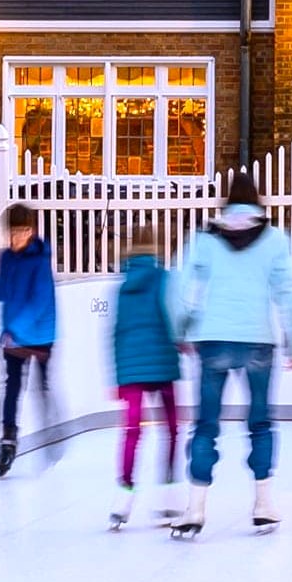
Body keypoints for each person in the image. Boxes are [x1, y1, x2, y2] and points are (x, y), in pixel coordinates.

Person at [175, 170, 292, 536]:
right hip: (258, 342)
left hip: (212, 338)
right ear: (258, 200)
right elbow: (289, 294)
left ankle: (195, 509)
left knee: (206, 424)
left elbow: (181, 286)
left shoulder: (204, 238)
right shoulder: (276, 240)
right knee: (261, 423)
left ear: (227, 200)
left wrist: (181, 328)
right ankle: (263, 504)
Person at [0, 202, 57, 475]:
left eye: (22, 231)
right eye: (12, 231)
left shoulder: (40, 261)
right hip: (13, 337)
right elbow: (5, 291)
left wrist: (16, 331)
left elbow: (39, 302)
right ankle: (8, 443)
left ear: (31, 231)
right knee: (12, 388)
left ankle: (50, 428)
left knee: (41, 386)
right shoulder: (6, 259)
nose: (16, 237)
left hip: (39, 334)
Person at [108, 225, 184, 530]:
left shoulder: (123, 286)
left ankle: (123, 498)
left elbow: (115, 331)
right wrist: (182, 341)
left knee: (132, 431)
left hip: (131, 368)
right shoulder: (164, 279)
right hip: (162, 363)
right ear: (155, 247)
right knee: (173, 428)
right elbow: (172, 316)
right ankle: (167, 497)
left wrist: (117, 374)